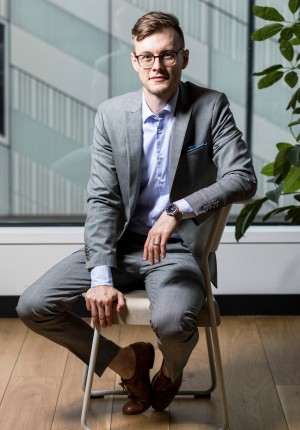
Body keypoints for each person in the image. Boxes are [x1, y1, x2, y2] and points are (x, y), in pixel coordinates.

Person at [17, 11, 257, 416]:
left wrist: (178, 211)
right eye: (146, 56)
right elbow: (102, 200)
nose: (157, 66)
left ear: (184, 58)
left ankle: (170, 373)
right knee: (32, 305)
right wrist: (100, 276)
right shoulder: (112, 114)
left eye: (166, 55)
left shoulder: (210, 106)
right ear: (134, 61)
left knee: (171, 322)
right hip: (123, 244)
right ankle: (127, 363)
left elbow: (244, 179)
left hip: (179, 250)